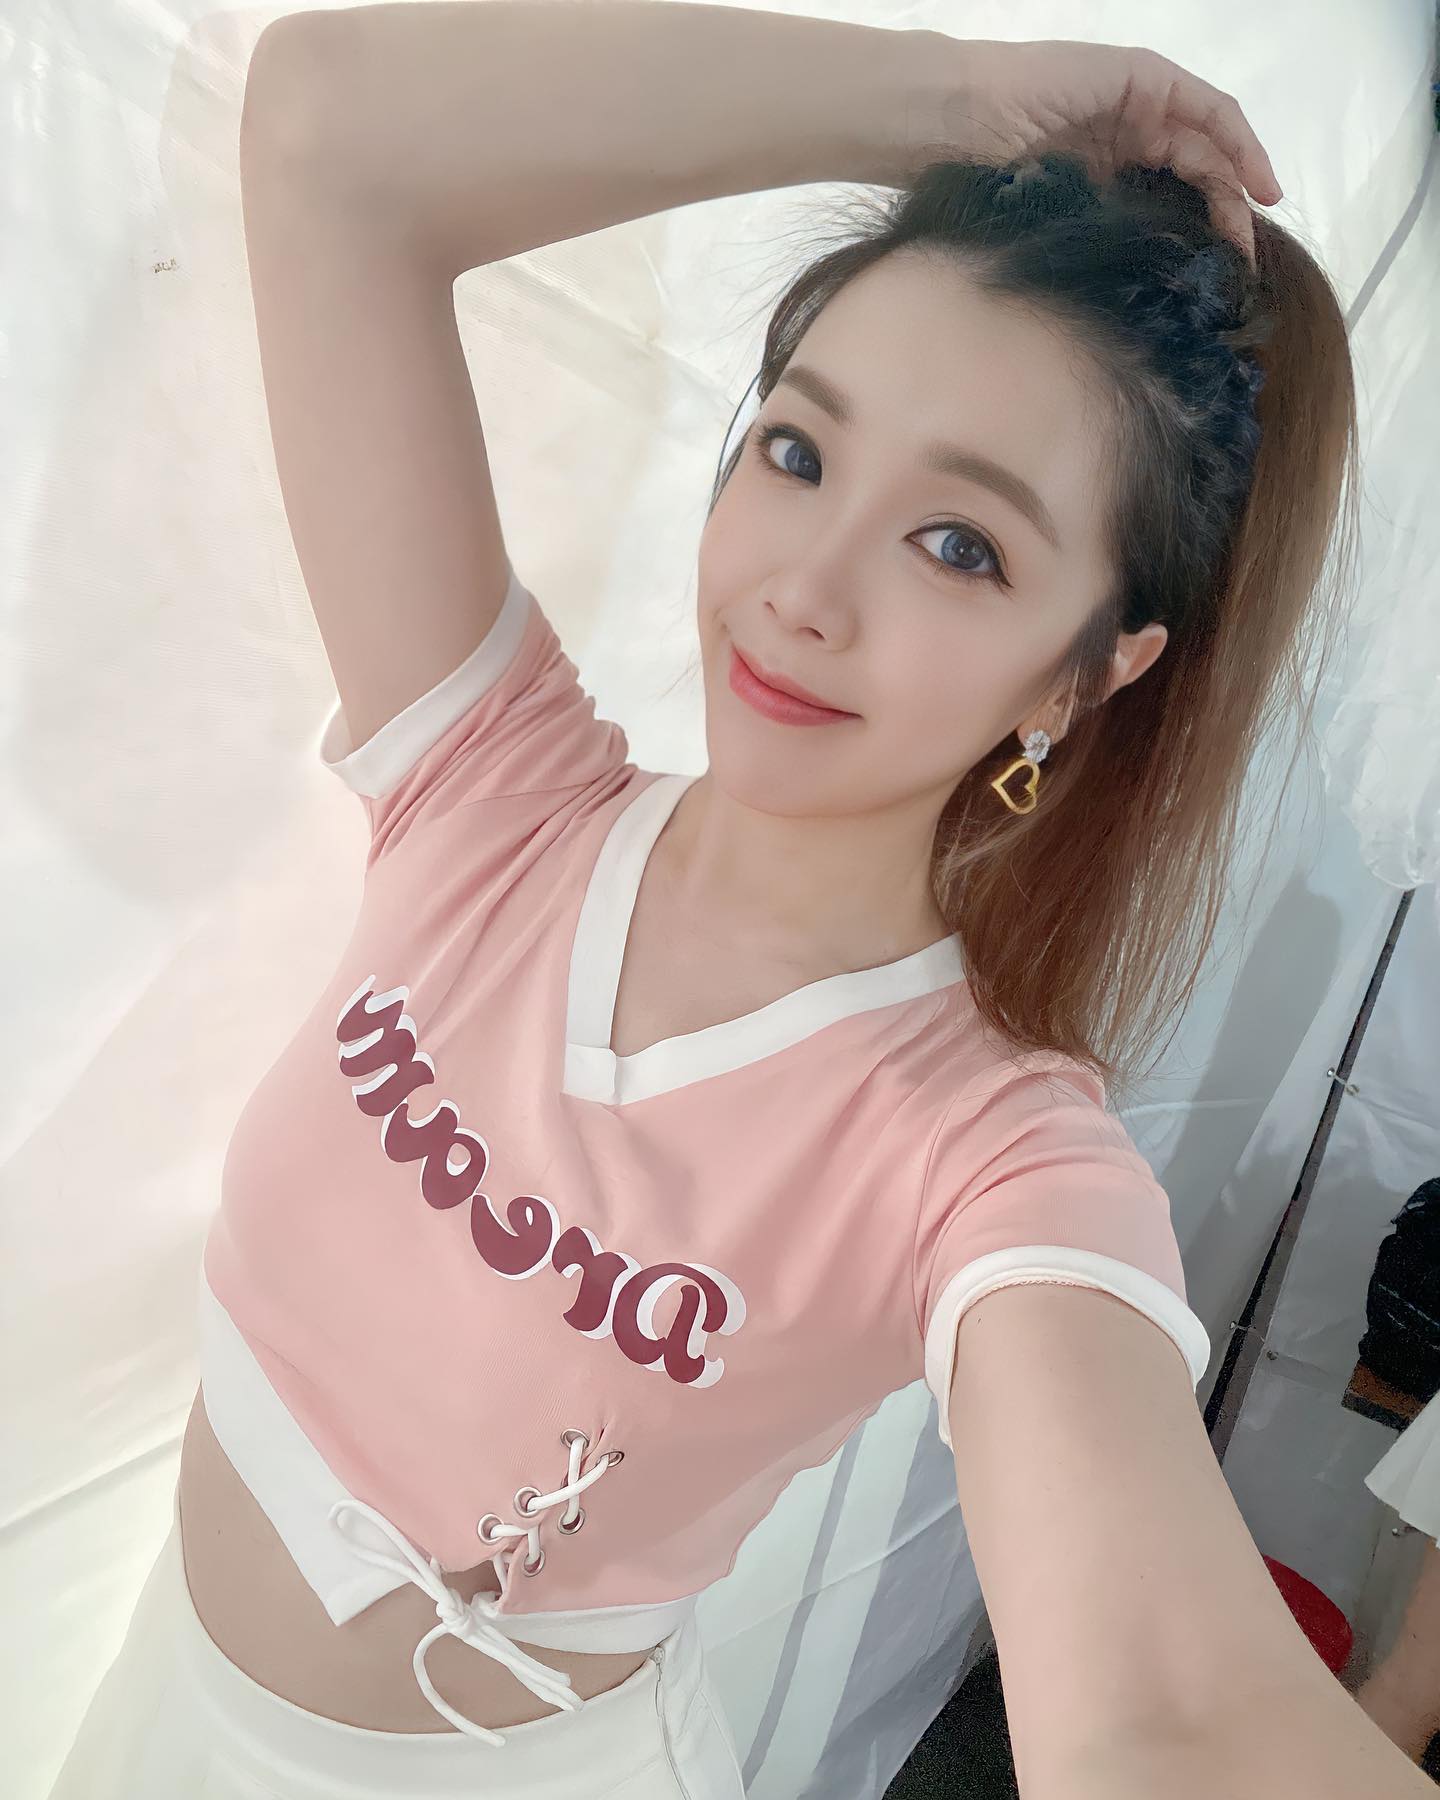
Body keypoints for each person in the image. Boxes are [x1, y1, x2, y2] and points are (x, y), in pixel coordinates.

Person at [47, 3, 1431, 1797]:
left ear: (1088, 673)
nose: (805, 590)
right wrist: (959, 102)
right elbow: (329, 132)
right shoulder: (493, 792)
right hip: (156, 1703)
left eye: (961, 545)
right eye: (798, 451)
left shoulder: (987, 1153)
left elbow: (1171, 1716)